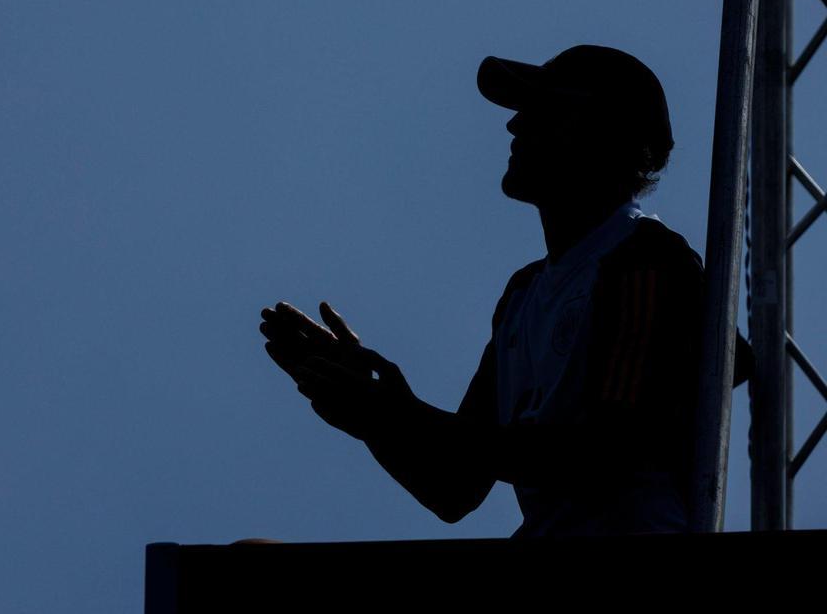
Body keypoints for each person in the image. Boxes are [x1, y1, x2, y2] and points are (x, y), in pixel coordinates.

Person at [258, 45, 754, 537]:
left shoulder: (649, 263)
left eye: (546, 109)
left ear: (607, 136)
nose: (515, 125)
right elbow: (453, 487)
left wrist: (397, 412)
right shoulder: (525, 293)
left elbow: (602, 452)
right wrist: (369, 414)